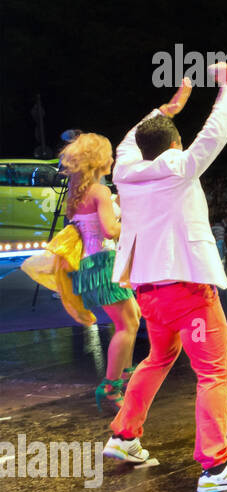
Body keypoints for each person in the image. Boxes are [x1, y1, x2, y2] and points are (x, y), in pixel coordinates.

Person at [105, 66, 227, 492]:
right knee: (214, 372)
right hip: (185, 290)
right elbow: (213, 136)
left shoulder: (124, 170)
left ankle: (124, 436)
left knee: (158, 358)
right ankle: (215, 466)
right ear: (174, 144)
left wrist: (168, 108)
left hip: (147, 291)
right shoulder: (179, 167)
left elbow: (131, 138)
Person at [59, 133, 142, 411]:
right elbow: (109, 230)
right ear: (97, 160)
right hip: (104, 264)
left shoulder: (77, 193)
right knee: (126, 325)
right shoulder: (99, 192)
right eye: (108, 154)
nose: (112, 159)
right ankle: (111, 387)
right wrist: (130, 218)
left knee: (133, 318)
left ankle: (126, 377)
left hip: (91, 265)